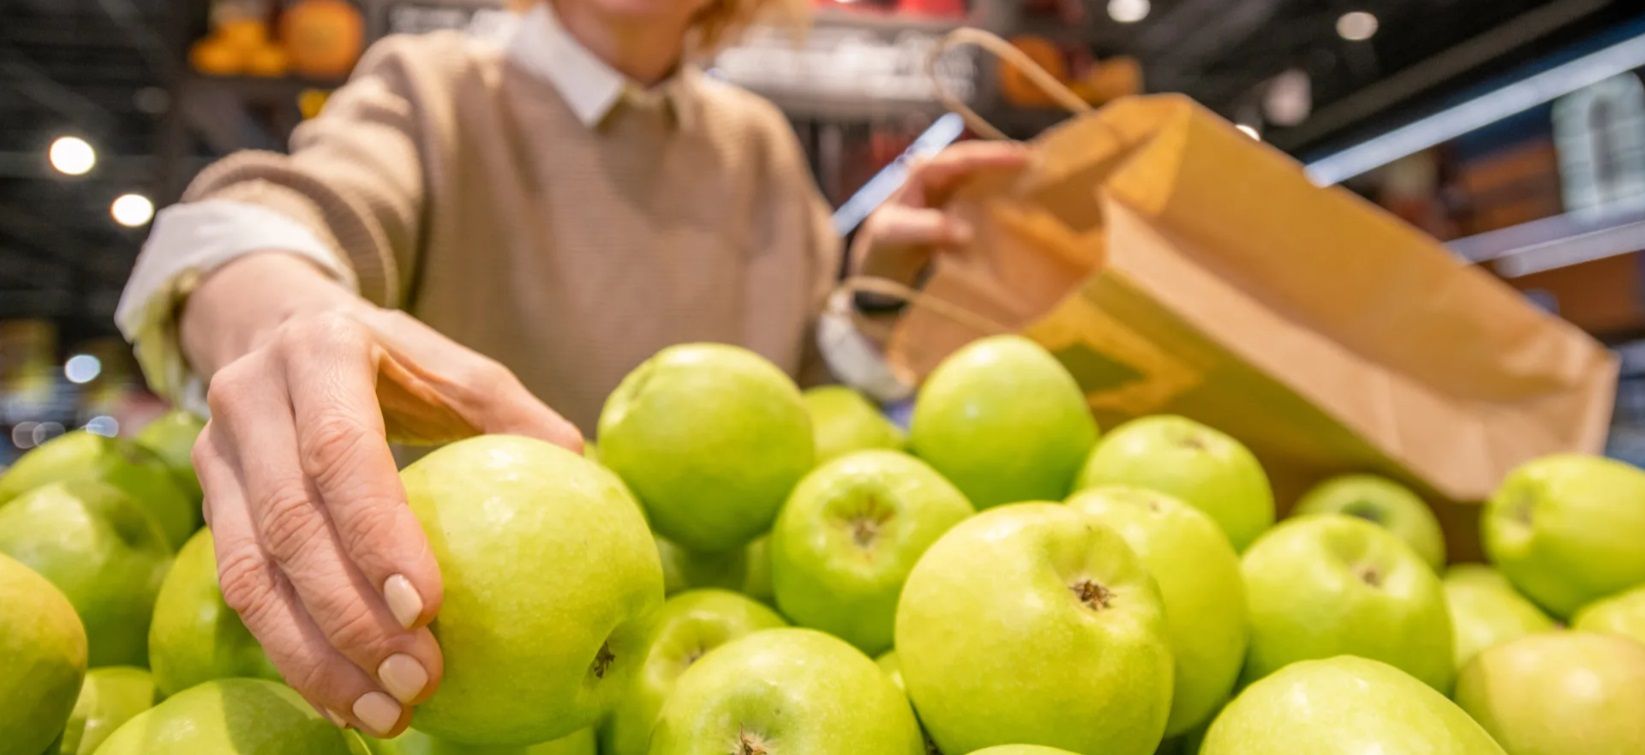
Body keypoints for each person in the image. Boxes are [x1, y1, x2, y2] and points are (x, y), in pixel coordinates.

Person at [116, 0, 1026, 737]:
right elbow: (267, 218)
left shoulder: (756, 145)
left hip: (709, 659)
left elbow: (789, 399)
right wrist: (286, 313)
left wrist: (872, 296)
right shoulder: (437, 86)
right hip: (458, 650)